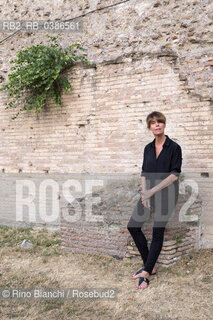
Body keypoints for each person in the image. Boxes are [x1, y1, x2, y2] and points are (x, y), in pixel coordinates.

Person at [127, 111, 182, 290]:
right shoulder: (147, 148)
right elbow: (144, 172)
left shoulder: (174, 147)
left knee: (158, 232)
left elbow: (174, 175)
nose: (157, 125)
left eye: (160, 122)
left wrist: (152, 191)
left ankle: (146, 273)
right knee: (133, 226)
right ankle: (150, 264)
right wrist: (145, 194)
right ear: (149, 127)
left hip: (167, 195)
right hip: (149, 193)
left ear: (164, 124)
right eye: (153, 123)